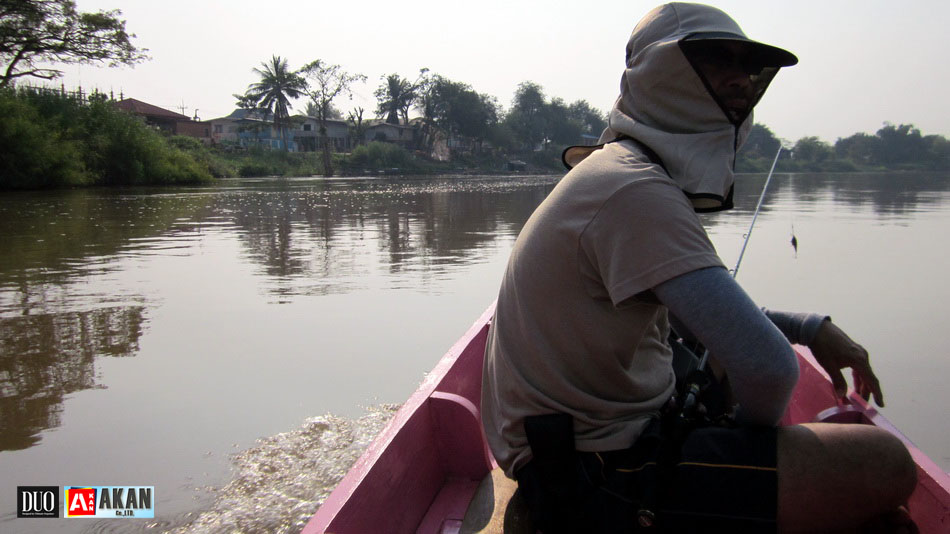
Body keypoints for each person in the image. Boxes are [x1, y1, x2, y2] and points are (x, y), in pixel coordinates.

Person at [480, 3, 917, 532]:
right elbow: (768, 368)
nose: (738, 80)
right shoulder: (635, 188)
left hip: (572, 451)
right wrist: (746, 444)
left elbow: (703, 323)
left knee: (709, 357)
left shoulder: (621, 170)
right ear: (662, 75)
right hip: (589, 475)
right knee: (886, 465)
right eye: (715, 61)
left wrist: (808, 328)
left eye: (746, 67)